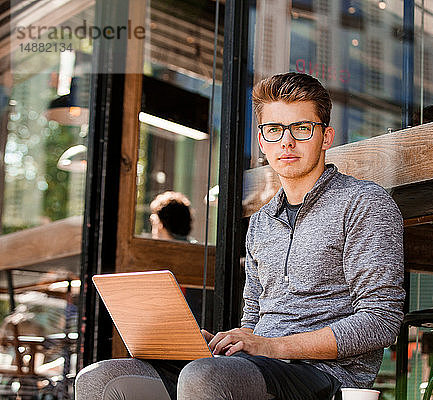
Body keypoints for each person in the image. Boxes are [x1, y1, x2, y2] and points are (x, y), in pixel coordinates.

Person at [74, 72, 404, 400]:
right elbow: (253, 320)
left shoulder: (363, 202)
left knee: (205, 378)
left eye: (301, 128)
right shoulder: (262, 222)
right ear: (262, 141)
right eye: (274, 130)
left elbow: (381, 320)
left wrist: (272, 346)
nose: (286, 142)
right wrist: (220, 341)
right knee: (100, 378)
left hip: (323, 374)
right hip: (254, 365)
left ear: (326, 137)